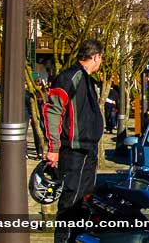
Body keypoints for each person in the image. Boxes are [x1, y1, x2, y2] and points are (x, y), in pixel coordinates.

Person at [44, 39, 104, 243]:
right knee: (71, 200)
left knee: (83, 200)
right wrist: (53, 147)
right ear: (95, 56)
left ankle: (77, 238)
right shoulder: (71, 77)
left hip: (87, 148)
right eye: (100, 58)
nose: (101, 63)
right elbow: (53, 110)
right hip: (75, 149)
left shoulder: (86, 79)